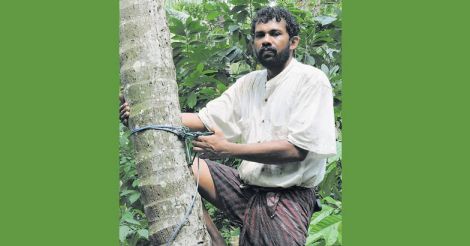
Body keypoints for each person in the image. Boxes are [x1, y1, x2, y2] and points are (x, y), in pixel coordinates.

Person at [120, 6, 337, 246]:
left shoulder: (311, 81)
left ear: (293, 42)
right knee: (185, 166)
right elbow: (204, 119)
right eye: (260, 35)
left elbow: (297, 150)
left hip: (287, 199)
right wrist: (143, 114)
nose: (266, 40)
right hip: (246, 190)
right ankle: (215, 241)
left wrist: (227, 149)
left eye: (275, 34)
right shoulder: (249, 83)